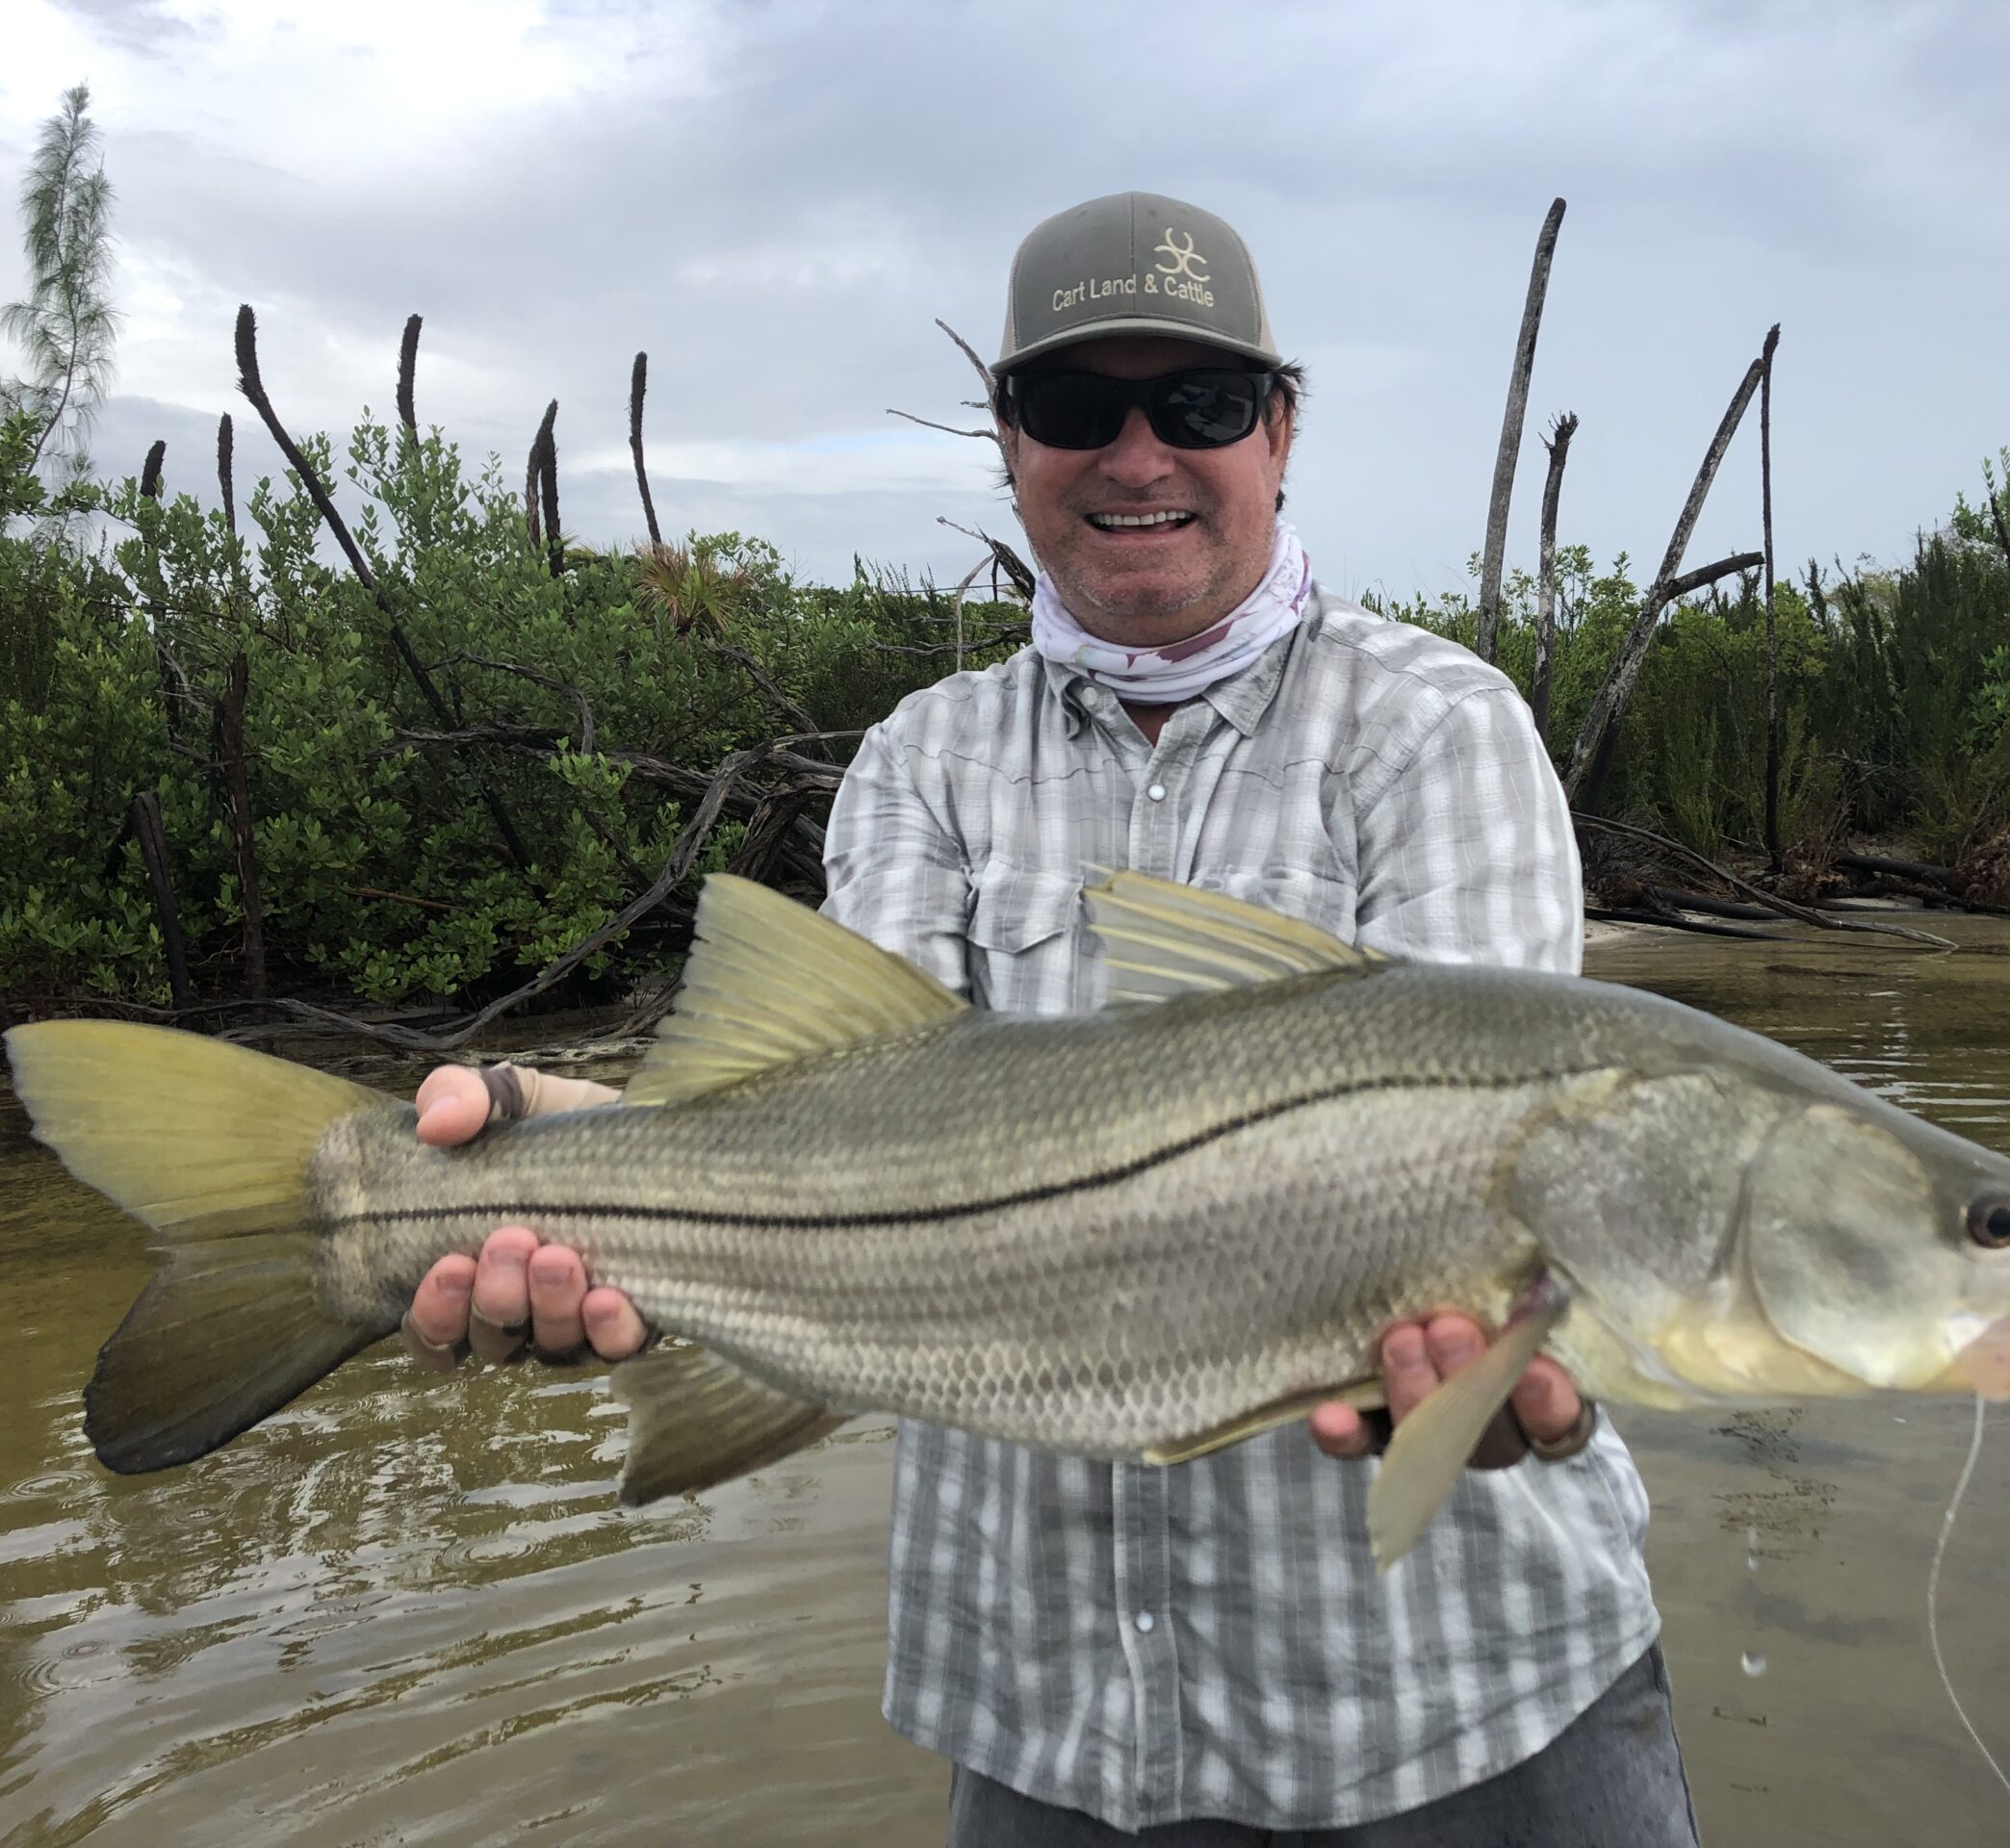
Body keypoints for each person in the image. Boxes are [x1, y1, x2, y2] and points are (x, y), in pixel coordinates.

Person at [400, 192, 1698, 1846]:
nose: (1137, 454)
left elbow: (1484, 1191)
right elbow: (846, 1128)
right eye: (1078, 409)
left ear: (1281, 429)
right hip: (1052, 1722)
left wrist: (1507, 1338)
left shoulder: (1443, 731)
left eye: (1202, 405)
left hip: (1463, 1706)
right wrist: (603, 1178)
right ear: (1009, 441)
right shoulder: (918, 762)